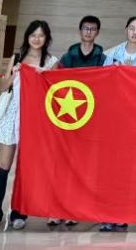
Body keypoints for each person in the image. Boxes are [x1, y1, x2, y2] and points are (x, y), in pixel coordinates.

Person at [0, 20, 58, 231]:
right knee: (3, 167)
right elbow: (3, 85)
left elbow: (55, 92)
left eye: (41, 35)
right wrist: (15, 73)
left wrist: (44, 76)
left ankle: (19, 213)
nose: (37, 39)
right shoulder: (16, 58)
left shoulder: (51, 61)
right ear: (27, 37)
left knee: (26, 167)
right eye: (33, 35)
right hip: (12, 115)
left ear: (46, 38)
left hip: (35, 119)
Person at [49, 15, 110, 226]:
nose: (88, 32)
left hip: (91, 119)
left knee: (82, 166)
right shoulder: (68, 56)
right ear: (80, 30)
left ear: (97, 33)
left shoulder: (103, 58)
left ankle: (74, 210)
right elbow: (53, 79)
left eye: (92, 29)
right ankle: (57, 209)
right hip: (68, 119)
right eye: (85, 28)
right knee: (62, 165)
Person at [100, 15, 136, 232]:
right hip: (114, 118)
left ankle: (122, 214)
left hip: (135, 118)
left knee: (128, 169)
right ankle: (107, 214)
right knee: (110, 168)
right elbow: (103, 81)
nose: (135, 32)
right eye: (131, 28)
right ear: (126, 30)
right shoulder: (114, 54)